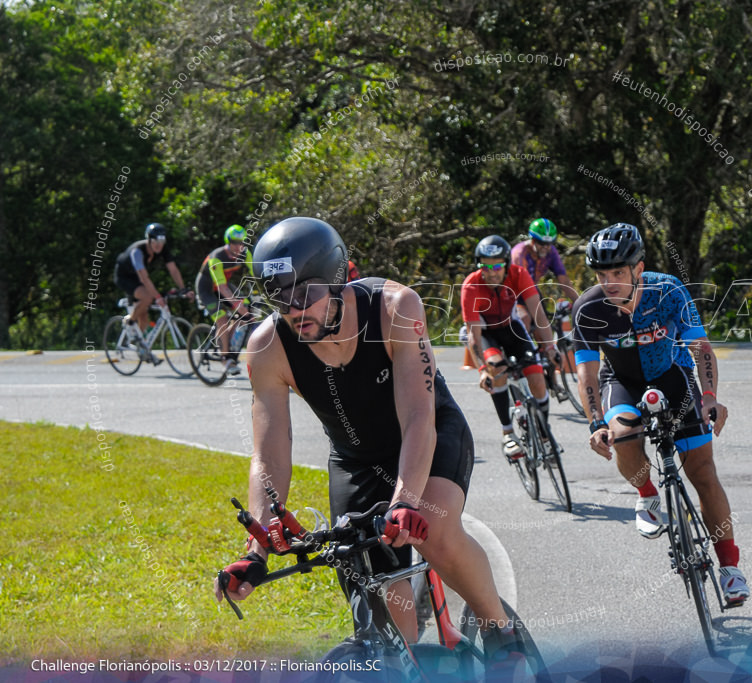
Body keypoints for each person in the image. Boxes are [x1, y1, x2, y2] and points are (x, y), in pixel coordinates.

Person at [213, 217, 525, 664]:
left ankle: (501, 629)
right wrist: (258, 545)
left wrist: (405, 501)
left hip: (428, 434)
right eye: (278, 297)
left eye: (305, 294)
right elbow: (269, 454)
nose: (293, 310)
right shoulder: (268, 346)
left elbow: (419, 417)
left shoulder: (397, 306)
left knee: (434, 532)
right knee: (383, 618)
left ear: (339, 279)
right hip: (355, 459)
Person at [571, 223, 750, 605]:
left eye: (618, 273)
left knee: (703, 472)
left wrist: (710, 397)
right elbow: (585, 370)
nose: (610, 282)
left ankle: (730, 568)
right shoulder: (588, 308)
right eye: (602, 275)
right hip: (621, 380)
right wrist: (595, 422)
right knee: (622, 434)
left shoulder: (667, 290)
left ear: (639, 268)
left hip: (673, 376)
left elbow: (700, 346)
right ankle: (647, 494)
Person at [461, 235, 559, 459]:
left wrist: (550, 347)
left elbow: (539, 314)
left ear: (506, 263)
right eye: (485, 265)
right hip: (486, 333)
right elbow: (473, 335)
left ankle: (545, 435)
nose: (491, 271)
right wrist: (482, 370)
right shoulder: (471, 285)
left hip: (510, 327)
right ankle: (508, 433)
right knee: (497, 367)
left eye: (497, 265)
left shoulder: (518, 275)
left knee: (536, 376)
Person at [113, 223, 191, 357]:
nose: (158, 245)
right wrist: (158, 297)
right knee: (148, 297)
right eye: (155, 241)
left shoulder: (162, 248)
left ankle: (140, 345)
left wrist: (183, 289)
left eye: (162, 241)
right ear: (149, 240)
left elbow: (173, 269)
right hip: (124, 277)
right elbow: (144, 278)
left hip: (137, 276)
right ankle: (129, 321)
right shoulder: (137, 251)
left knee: (144, 318)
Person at [194, 224, 255, 376]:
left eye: (242, 242)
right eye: (234, 242)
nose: (238, 246)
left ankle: (230, 341)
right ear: (228, 241)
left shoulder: (245, 254)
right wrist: (238, 307)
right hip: (207, 289)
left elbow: (256, 275)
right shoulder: (216, 257)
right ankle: (225, 358)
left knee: (247, 308)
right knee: (222, 318)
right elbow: (222, 288)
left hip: (224, 286)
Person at [510, 218, 578, 330]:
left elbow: (563, 280)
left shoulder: (551, 252)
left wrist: (578, 301)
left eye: (549, 243)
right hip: (514, 292)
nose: (546, 247)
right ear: (532, 240)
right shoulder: (520, 253)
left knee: (542, 328)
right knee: (525, 319)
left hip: (532, 290)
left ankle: (544, 347)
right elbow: (521, 285)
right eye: (542, 243)